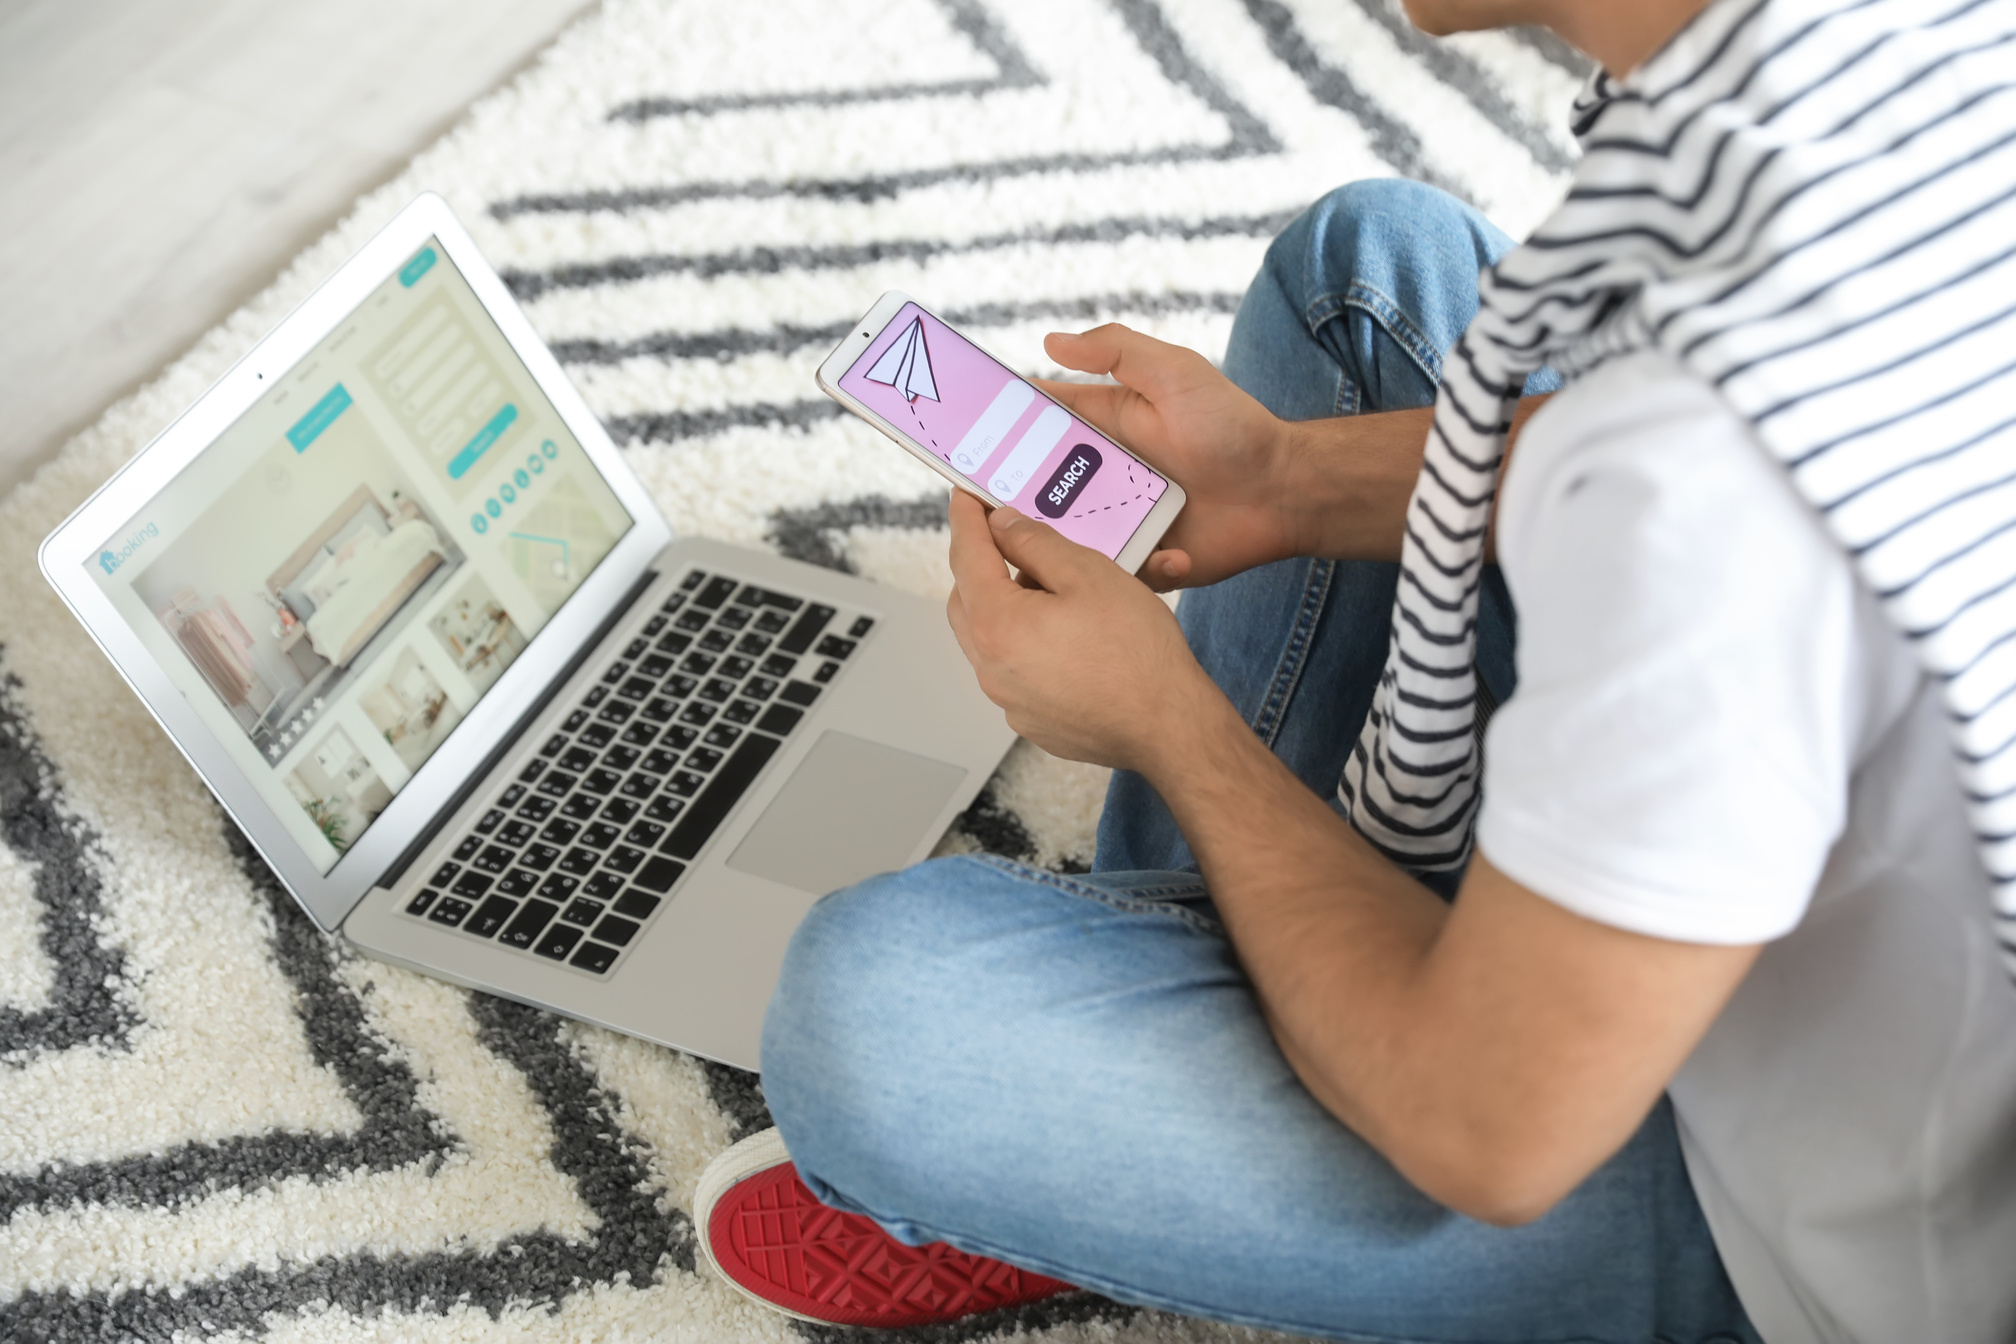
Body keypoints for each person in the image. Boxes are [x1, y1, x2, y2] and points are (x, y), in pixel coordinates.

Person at [690, 0, 2016, 1340]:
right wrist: (1284, 485)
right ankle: (1175, 1091)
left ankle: (1136, 1134)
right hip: (1810, 936)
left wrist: (1169, 722)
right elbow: (1658, 447)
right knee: (1371, 270)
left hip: (1789, 1224)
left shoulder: (1721, 480)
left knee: (882, 1024)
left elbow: (1492, 1132)